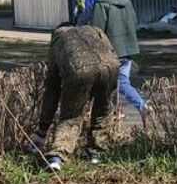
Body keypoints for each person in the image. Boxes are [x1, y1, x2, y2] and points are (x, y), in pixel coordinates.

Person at [33, 24, 119, 170]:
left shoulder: (58, 42)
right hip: (110, 66)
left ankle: (57, 156)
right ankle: (96, 153)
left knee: (71, 116)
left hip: (80, 70)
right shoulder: (94, 29)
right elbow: (110, 50)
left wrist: (42, 130)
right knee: (102, 111)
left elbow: (52, 91)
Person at [89, 0, 147, 114]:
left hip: (110, 51)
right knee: (116, 83)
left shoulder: (101, 2)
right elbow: (133, 20)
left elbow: (97, 30)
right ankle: (116, 114)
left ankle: (142, 107)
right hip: (127, 50)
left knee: (117, 84)